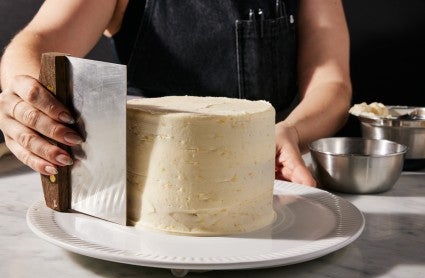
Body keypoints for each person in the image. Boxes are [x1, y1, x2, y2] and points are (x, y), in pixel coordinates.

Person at [0, 0, 351, 187]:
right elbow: (38, 42)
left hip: (267, 178)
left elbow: (331, 83)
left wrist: (291, 130)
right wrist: (27, 95)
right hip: (142, 182)